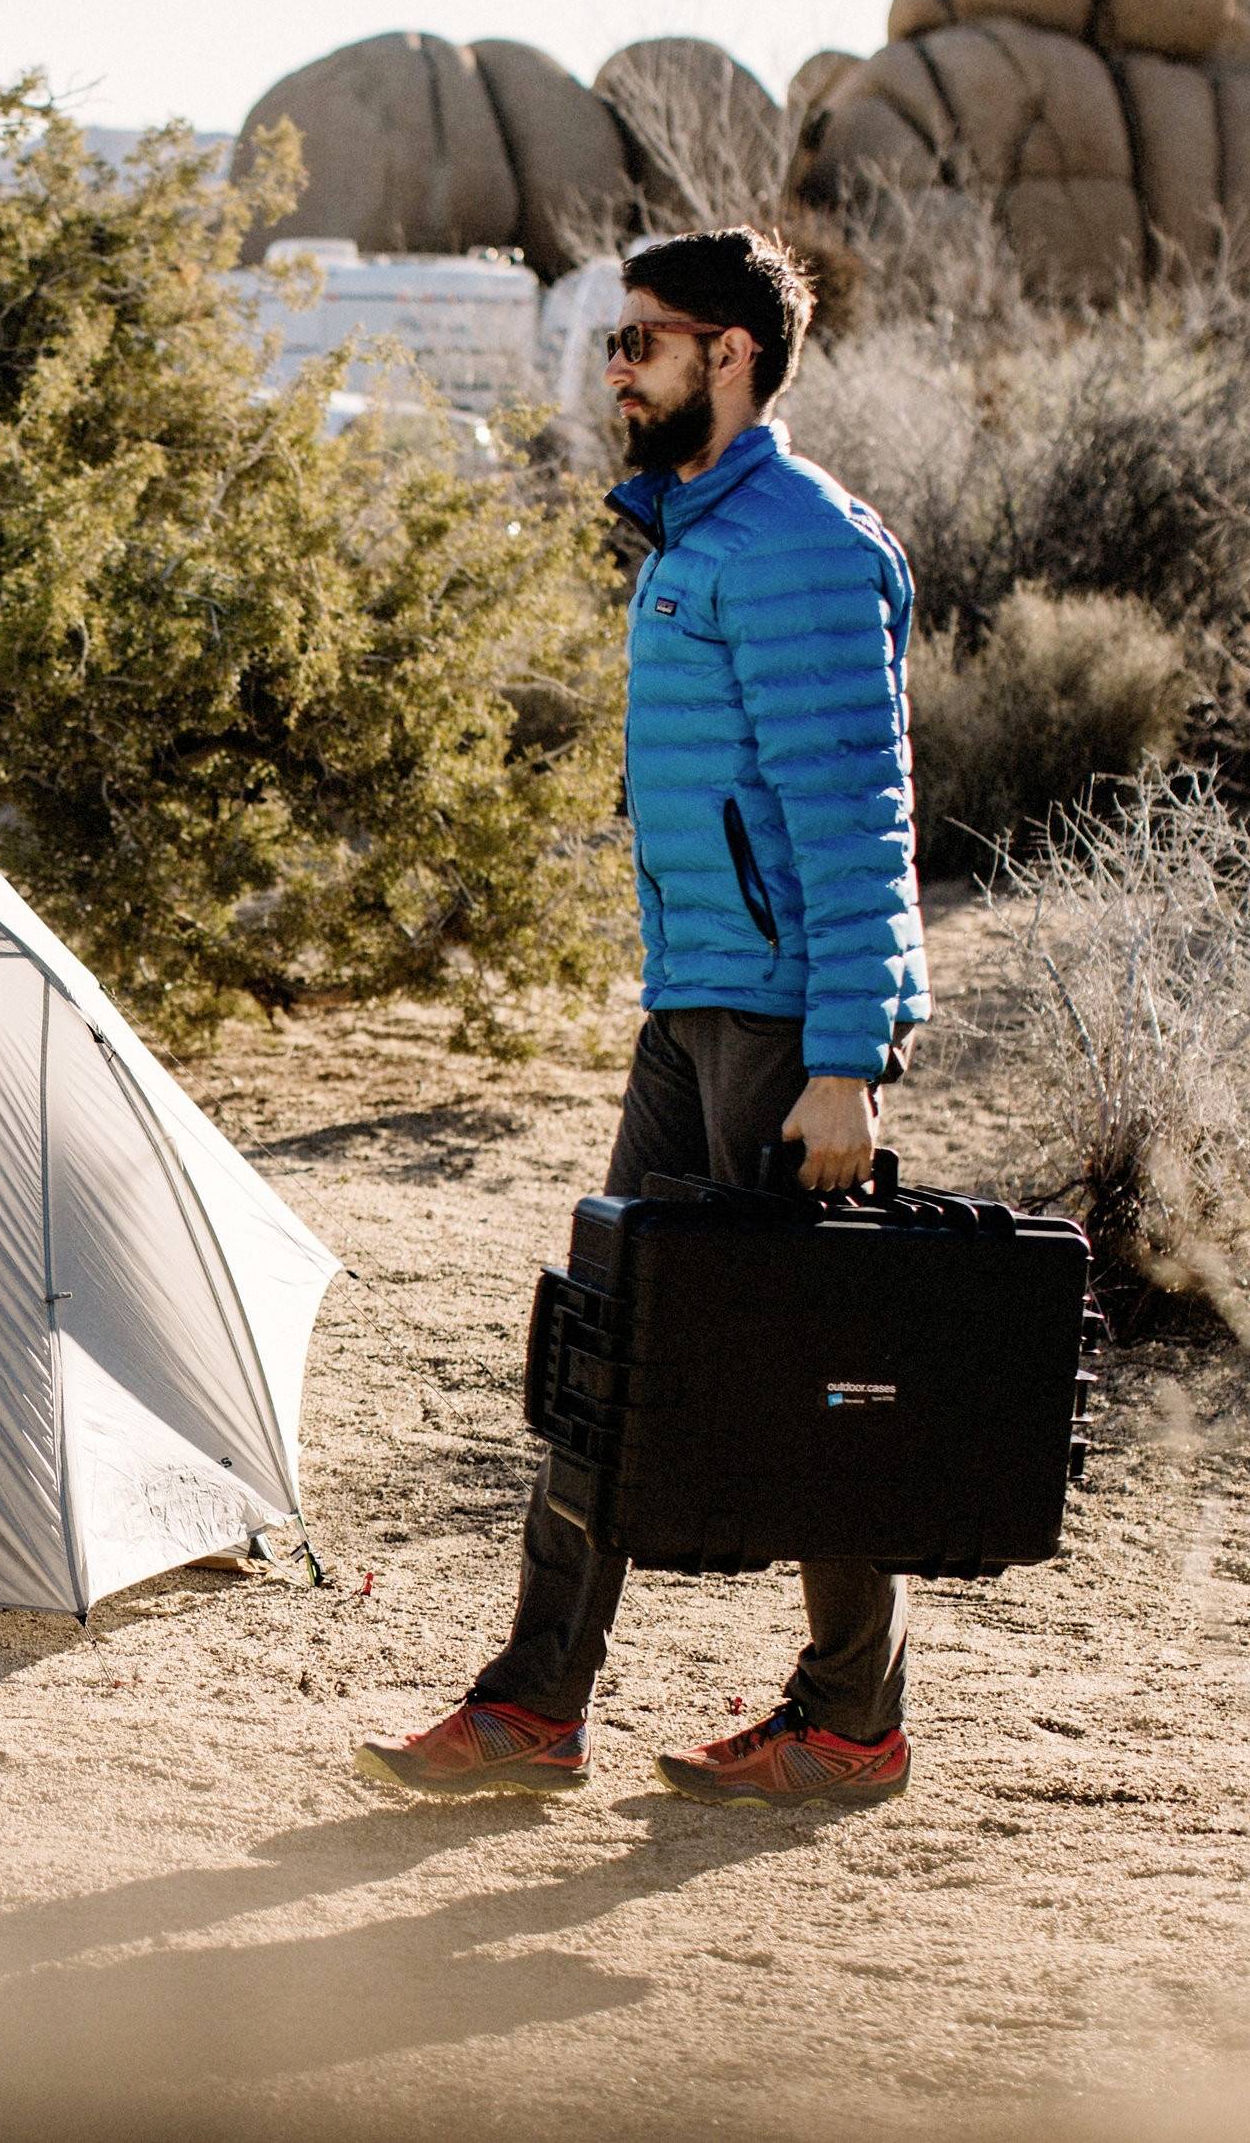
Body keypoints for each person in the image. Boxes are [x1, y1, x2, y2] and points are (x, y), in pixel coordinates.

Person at [358, 227, 930, 1811]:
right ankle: (536, 1703)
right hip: (693, 1006)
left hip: (784, 1028)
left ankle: (851, 1719)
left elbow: (857, 820)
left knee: (811, 1372)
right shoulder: (693, 536)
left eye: (641, 342)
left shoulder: (799, 544)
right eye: (613, 341)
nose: (614, 369)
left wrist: (847, 1059)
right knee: (612, 1352)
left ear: (730, 356)